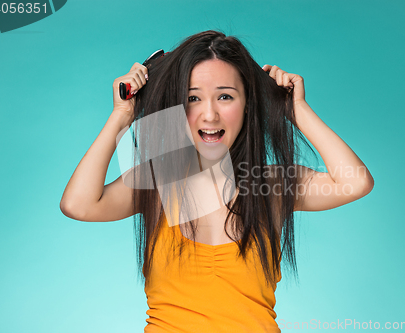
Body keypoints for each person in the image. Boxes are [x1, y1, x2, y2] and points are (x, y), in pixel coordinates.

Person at [60, 29, 374, 332]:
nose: (209, 115)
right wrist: (121, 116)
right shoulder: (157, 181)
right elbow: (78, 205)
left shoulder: (272, 185)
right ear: (177, 108)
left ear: (248, 103)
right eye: (193, 98)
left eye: (225, 96)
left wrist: (295, 110)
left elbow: (355, 183)